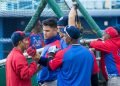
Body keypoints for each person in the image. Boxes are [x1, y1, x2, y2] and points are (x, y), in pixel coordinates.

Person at [27, 26, 99, 86]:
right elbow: (94, 76)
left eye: (65, 35)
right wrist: (39, 58)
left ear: (70, 38)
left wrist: (51, 54)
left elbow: (50, 66)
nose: (63, 37)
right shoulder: (90, 53)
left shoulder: (63, 53)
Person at [35, 18, 67, 86]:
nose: (44, 33)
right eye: (43, 30)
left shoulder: (58, 44)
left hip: (51, 82)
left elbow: (49, 63)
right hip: (46, 82)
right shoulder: (50, 43)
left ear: (56, 30)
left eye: (47, 31)